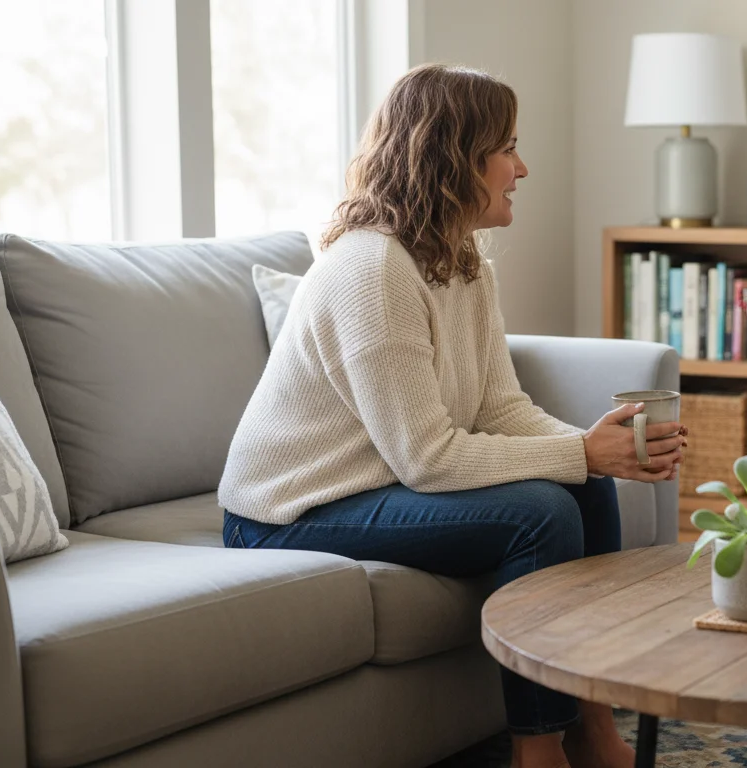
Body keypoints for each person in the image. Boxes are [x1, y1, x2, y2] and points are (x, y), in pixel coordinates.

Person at [218, 64, 684, 768]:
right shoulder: (371, 269)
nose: (522, 168)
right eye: (507, 149)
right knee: (542, 511)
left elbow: (500, 407)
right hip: (290, 511)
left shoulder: (465, 264)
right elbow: (428, 458)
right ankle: (538, 749)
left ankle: (594, 725)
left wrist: (597, 448)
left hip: (379, 486)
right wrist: (579, 454)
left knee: (585, 485)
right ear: (454, 159)